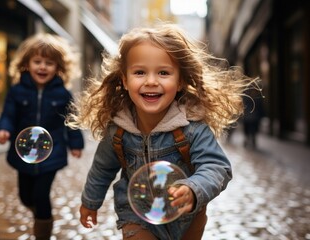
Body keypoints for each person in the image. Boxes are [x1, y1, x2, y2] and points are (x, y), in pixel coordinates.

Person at [66, 23, 259, 240]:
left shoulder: (192, 129)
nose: (151, 81)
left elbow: (217, 167)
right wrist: (90, 203)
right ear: (125, 80)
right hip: (136, 215)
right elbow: (102, 169)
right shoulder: (117, 131)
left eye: (163, 73)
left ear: (180, 82)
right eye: (139, 72)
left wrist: (193, 189)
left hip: (188, 216)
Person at [0, 33, 84, 239]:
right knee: (26, 197)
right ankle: (40, 215)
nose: (42, 67)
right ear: (27, 64)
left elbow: (71, 121)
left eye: (49, 63)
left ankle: (43, 231)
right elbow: (8, 115)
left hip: (52, 154)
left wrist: (76, 143)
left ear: (58, 67)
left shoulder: (63, 94)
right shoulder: (17, 91)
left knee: (41, 195)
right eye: (37, 61)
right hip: (22, 152)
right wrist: (3, 129)